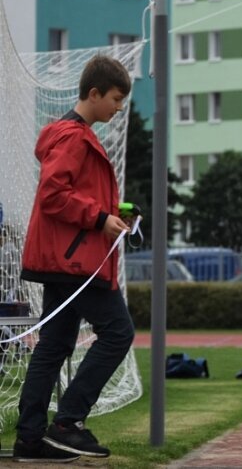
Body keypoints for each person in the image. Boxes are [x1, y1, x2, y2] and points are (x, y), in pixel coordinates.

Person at [14, 55, 134, 462]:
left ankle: (30, 439)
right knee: (118, 333)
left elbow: (70, 194)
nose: (119, 108)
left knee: (55, 345)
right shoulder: (73, 137)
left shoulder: (73, 136)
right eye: (116, 99)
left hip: (65, 258)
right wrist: (100, 218)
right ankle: (67, 423)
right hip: (73, 262)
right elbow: (52, 195)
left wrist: (111, 216)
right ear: (94, 93)